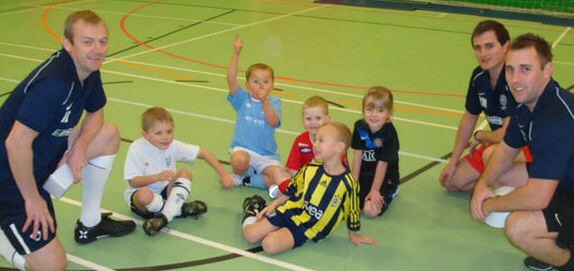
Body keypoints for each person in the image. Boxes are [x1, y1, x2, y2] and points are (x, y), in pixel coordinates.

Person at [0, 10, 135, 270]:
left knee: (108, 134)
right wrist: (32, 199)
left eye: (102, 41)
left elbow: (96, 112)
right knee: (53, 265)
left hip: (41, 158)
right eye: (87, 42)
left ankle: (90, 223)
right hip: (9, 176)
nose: (97, 50)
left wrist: (80, 148)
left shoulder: (88, 69)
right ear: (67, 44)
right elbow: (15, 143)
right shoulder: (54, 83)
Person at [470, 33, 574, 271]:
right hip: (566, 181)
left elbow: (538, 197)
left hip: (567, 190)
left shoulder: (558, 118)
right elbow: (506, 152)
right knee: (495, 163)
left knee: (518, 226)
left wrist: (490, 205)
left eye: (525, 69)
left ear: (547, 70)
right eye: (510, 70)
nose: (515, 79)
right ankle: (554, 242)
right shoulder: (525, 105)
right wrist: (482, 185)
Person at [241, 122, 375, 254]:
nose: (315, 144)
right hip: (292, 211)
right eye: (315, 140)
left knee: (269, 245)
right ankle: (252, 211)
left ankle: (276, 232)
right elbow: (292, 189)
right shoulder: (310, 169)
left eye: (321, 140)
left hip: (308, 227)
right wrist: (273, 205)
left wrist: (353, 235)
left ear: (339, 147)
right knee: (251, 235)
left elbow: (352, 212)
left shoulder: (348, 184)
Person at [439, 20, 529, 192]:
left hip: (523, 145)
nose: (483, 53)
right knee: (451, 181)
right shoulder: (478, 77)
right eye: (478, 48)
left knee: (491, 156)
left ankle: (530, 183)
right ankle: (500, 182)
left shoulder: (515, 80)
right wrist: (453, 161)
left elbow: (507, 134)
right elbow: (469, 118)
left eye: (489, 46)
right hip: (498, 144)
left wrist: (481, 136)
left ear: (506, 46)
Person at [124, 107, 233, 236]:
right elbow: (133, 182)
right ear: (145, 135)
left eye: (169, 131)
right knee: (144, 195)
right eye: (158, 133)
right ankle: (177, 210)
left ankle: (163, 218)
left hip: (166, 192)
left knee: (186, 173)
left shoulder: (172, 145)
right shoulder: (137, 148)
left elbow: (203, 153)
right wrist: (156, 177)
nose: (165, 137)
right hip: (143, 200)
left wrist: (224, 174)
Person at [226, 35, 290, 198]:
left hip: (266, 156)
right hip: (244, 150)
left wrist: (265, 102)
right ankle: (242, 174)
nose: (261, 85)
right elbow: (231, 80)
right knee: (239, 160)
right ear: (247, 84)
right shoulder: (242, 99)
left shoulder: (274, 102)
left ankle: (247, 180)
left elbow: (273, 121)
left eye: (266, 81)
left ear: (273, 84)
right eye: (256, 81)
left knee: (281, 178)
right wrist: (236, 53)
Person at [351, 87, 400, 217]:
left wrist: (375, 190)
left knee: (370, 210)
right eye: (369, 109)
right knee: (344, 202)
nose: (374, 114)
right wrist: (353, 184)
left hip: (384, 176)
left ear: (389, 113)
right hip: (364, 174)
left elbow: (383, 164)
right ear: (363, 110)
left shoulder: (389, 133)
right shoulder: (359, 127)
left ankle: (392, 189)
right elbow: (357, 156)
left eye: (380, 110)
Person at [285, 96, 348, 177]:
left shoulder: (335, 143)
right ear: (302, 120)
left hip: (329, 182)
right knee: (283, 173)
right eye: (308, 119)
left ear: (328, 119)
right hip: (304, 182)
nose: (313, 122)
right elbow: (292, 169)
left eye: (318, 118)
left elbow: (342, 170)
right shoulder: (300, 141)